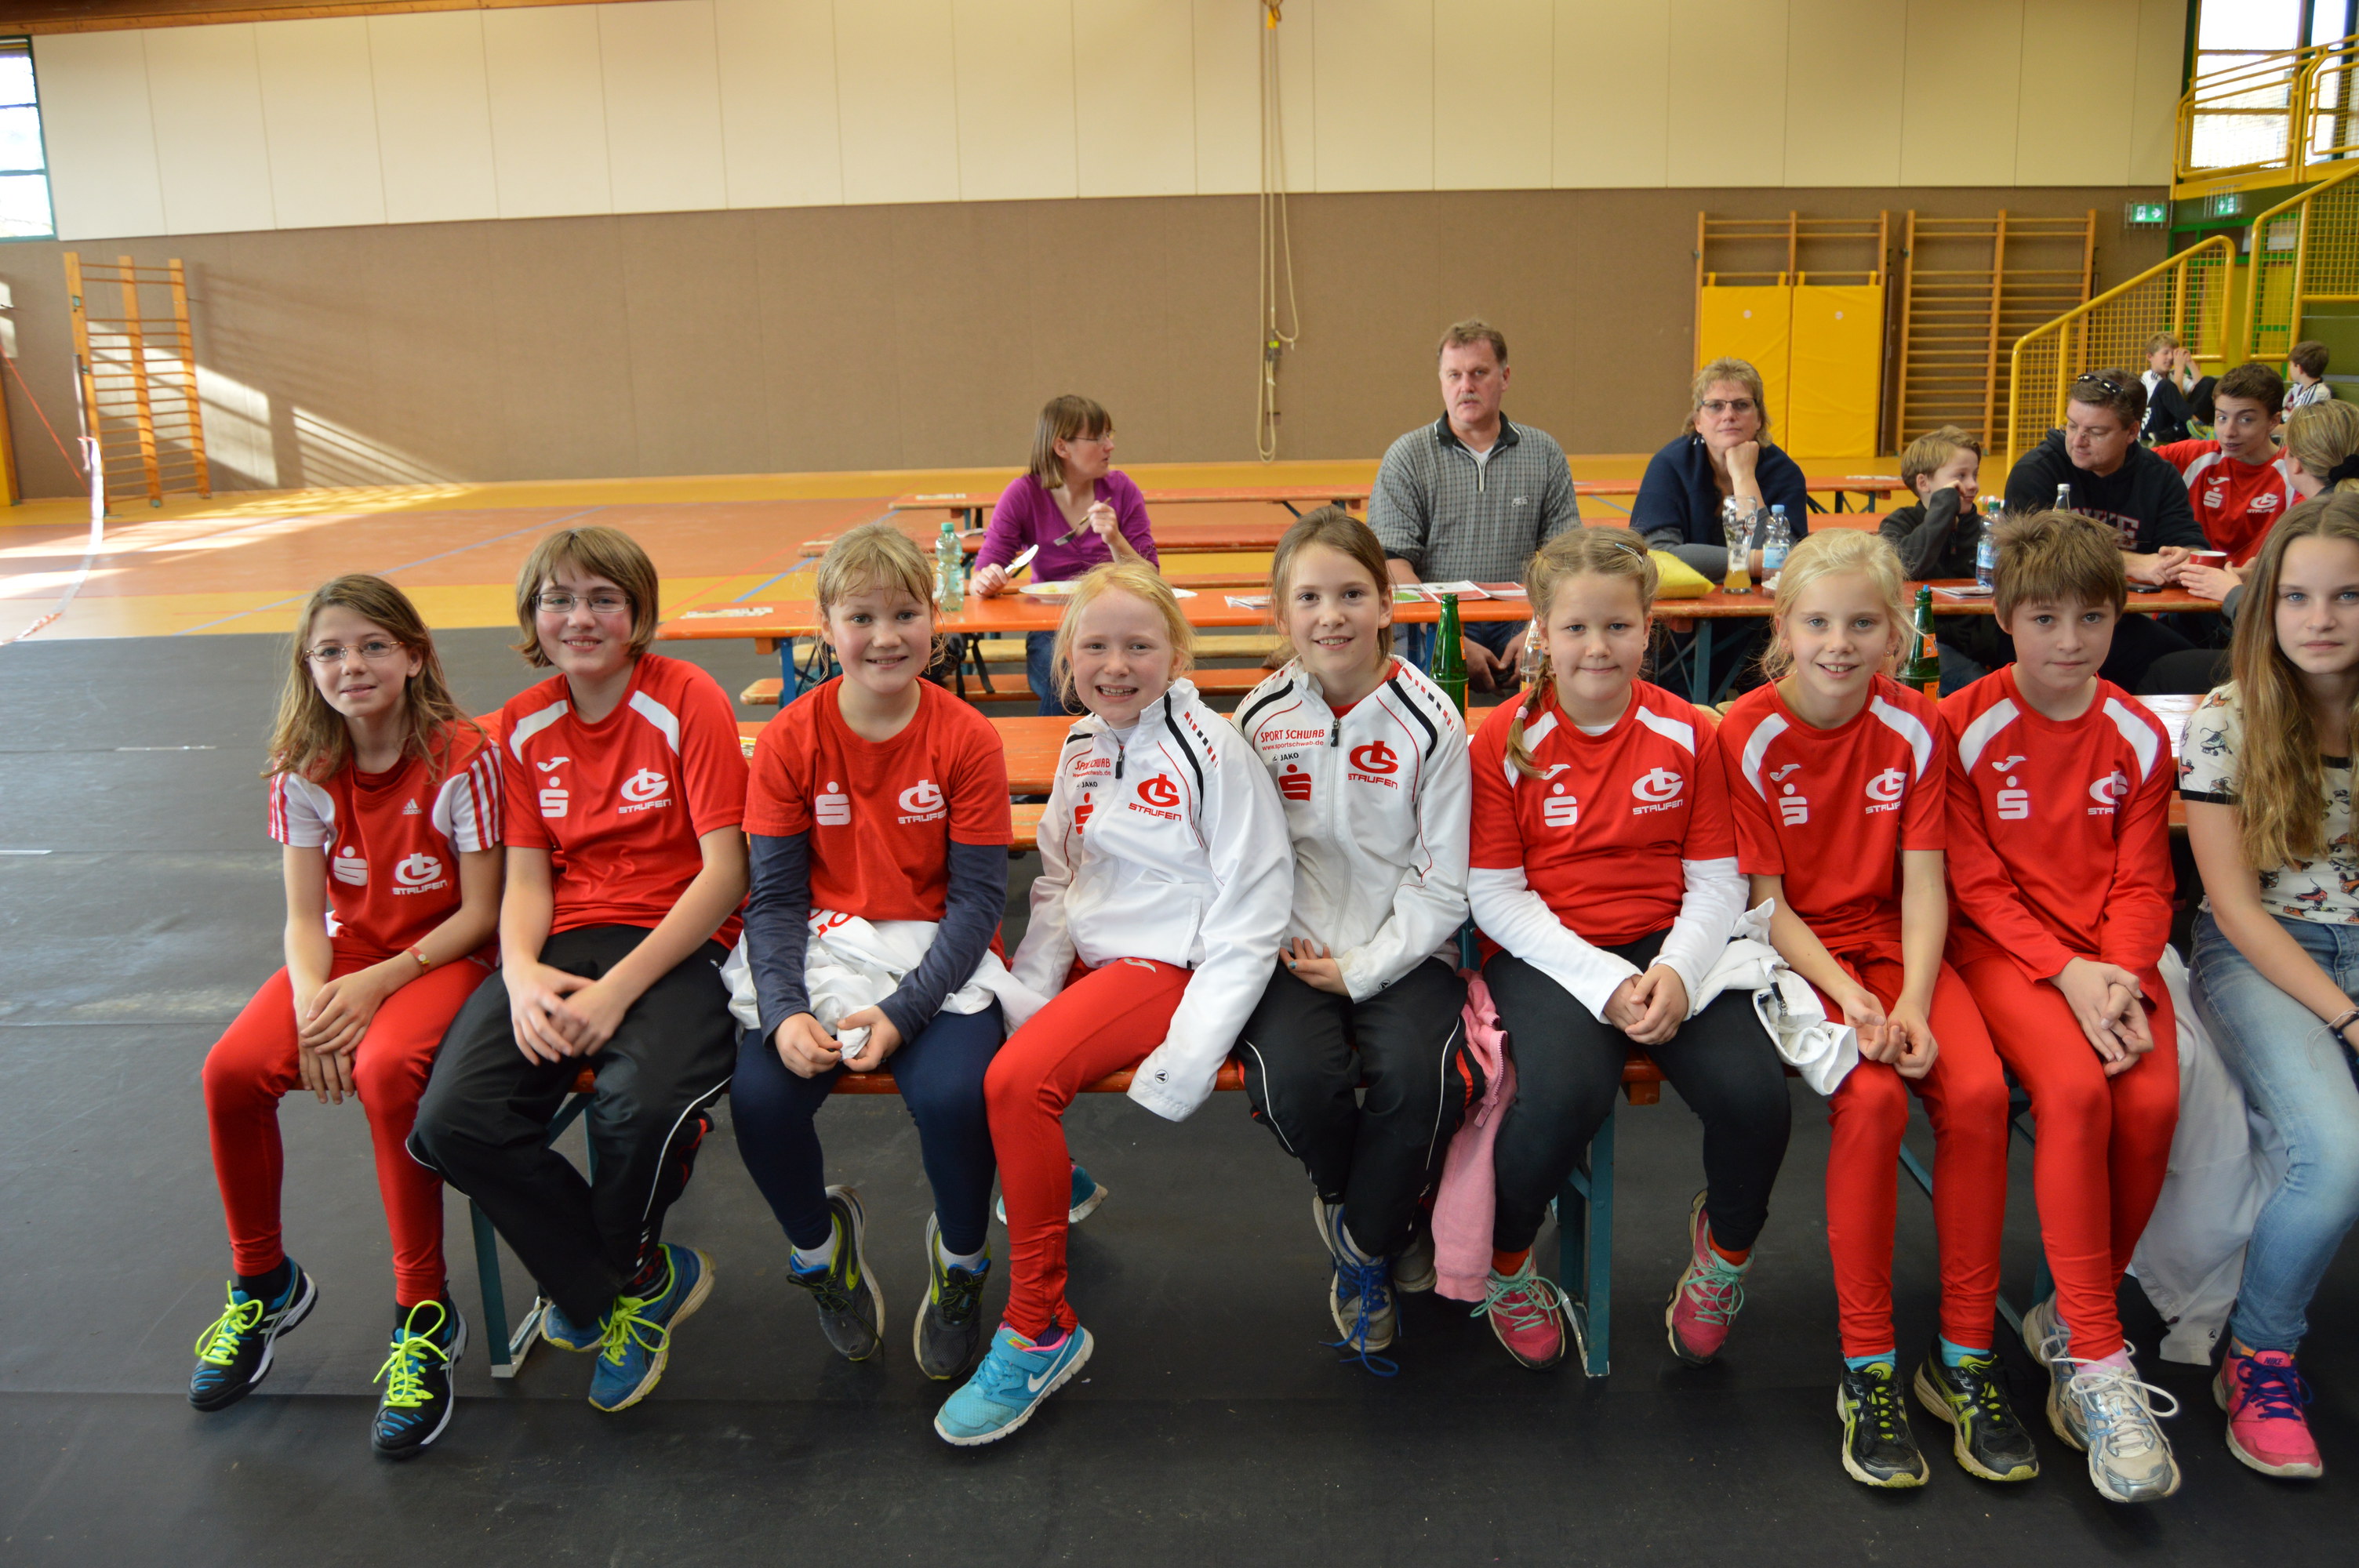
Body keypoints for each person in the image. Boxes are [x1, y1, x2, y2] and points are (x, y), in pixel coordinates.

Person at [933, 563, 1292, 1445]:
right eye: (1095, 646)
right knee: (964, 1042)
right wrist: (1030, 993)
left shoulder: (1214, 751)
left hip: (1168, 965)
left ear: (1177, 654)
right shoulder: (1082, 746)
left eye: (1139, 645)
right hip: (1098, 960)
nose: (1116, 665)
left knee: (1015, 1084)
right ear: (1068, 657)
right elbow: (1060, 884)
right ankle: (1055, 1178)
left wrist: (1189, 1055)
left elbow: (1252, 911)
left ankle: (1039, 1326)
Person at [409, 524, 749, 1414]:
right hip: (563, 940)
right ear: (532, 617)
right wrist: (521, 971)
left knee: (636, 1105)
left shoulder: (687, 696)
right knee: (453, 1120)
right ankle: (630, 1279)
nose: (580, 617)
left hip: (680, 938)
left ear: (638, 612)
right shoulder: (521, 722)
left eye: (603, 598)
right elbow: (526, 877)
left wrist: (616, 992)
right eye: (558, 600)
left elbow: (725, 872)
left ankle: (604, 1278)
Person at [1716, 529, 2029, 1490]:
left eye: (1861, 623)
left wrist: (1913, 1002)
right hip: (1798, 950)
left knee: (1976, 1094)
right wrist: (1850, 996)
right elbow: (1765, 901)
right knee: (1874, 1100)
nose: (1838, 643)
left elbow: (1925, 879)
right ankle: (1867, 1364)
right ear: (1783, 628)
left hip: (1899, 947)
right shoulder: (1744, 731)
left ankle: (1964, 1355)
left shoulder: (1916, 724)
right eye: (1817, 622)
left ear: (1896, 633)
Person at [192, 575, 502, 1459]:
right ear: (308, 666)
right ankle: (264, 1281)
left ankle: (424, 1313)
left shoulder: (463, 755)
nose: (351, 665)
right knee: (229, 1071)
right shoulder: (303, 763)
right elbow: (303, 918)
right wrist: (310, 1005)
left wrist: (374, 989)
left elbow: (481, 910)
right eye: (329, 650)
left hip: (443, 956)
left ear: (414, 656)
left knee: (386, 1072)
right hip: (349, 957)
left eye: (372, 646)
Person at [1467, 528, 1789, 1373]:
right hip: (1549, 949)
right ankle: (1507, 1262)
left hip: (1670, 939)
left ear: (1648, 628)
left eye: (1617, 626)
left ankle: (1724, 1254)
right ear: (1541, 631)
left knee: (1755, 1097)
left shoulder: (1689, 731)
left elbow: (1715, 881)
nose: (1597, 647)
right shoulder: (1504, 738)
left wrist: (1676, 970)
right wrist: (1606, 980)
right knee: (1563, 1096)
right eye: (1575, 627)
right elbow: (1495, 895)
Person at [732, 522, 1016, 1383]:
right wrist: (783, 1010)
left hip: (939, 955)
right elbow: (775, 900)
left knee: (955, 1094)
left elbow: (977, 903)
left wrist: (902, 1012)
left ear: (936, 621)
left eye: (904, 614)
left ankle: (961, 1262)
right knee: (761, 1098)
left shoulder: (967, 737)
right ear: (825, 628)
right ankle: (822, 1255)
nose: (885, 636)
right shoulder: (790, 738)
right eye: (861, 617)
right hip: (825, 948)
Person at [1941, 513, 2185, 1504]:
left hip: (2112, 959)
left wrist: (2117, 973)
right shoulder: (1960, 724)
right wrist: (2066, 972)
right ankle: (2097, 1353)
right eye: (2044, 617)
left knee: (2155, 1100)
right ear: (2005, 618)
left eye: (2091, 617)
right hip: (2003, 952)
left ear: (2117, 617)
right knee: (2077, 1093)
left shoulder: (2136, 732)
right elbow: (1972, 883)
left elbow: (2144, 880)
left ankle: (2067, 1315)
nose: (2070, 639)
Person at [1233, 507, 1475, 1367]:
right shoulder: (1257, 718)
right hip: (1290, 951)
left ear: (1385, 605)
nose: (1329, 615)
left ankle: (1364, 1245)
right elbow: (1240, 855)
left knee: (1421, 1081)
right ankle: (1380, 1214)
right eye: (1308, 597)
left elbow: (1443, 879)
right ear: (1280, 613)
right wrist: (1277, 949)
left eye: (1350, 594)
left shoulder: (1431, 719)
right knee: (1298, 1084)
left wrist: (1366, 967)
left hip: (1403, 948)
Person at [2181, 491, 2359, 1481]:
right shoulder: (2226, 717)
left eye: (2345, 595)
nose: (2318, 618)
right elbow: (2236, 907)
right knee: (2333, 1157)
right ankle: (2259, 1355)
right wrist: (2348, 1018)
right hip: (2260, 949)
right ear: (2265, 606)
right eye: (2295, 596)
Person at [1369, 319, 1582, 692]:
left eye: (1479, 373)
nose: (1465, 386)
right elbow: (1392, 563)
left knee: (1576, 649)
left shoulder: (1544, 453)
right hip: (1435, 621)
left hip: (1523, 617)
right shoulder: (1407, 457)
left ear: (1505, 377)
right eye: (1454, 375)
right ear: (1441, 381)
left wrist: (1539, 628)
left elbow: (1565, 559)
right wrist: (1448, 634)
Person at [2004, 368, 2205, 688]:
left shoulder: (2159, 476)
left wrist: (2181, 558)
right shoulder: (2037, 470)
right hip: (2046, 625)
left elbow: (2189, 543)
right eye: (2072, 426)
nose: (2077, 441)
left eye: (2095, 432)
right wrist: (2133, 563)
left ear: (2132, 432)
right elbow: (2031, 558)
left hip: (2120, 622)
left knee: (2200, 668)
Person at [970, 394, 1160, 714]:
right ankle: (1069, 748)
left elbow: (1150, 578)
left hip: (1118, 623)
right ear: (1062, 447)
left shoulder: (1122, 489)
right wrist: (987, 579)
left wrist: (1115, 539)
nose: (1110, 445)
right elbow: (984, 572)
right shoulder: (1023, 494)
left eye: (1109, 435)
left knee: (1130, 680)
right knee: (1067, 679)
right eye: (1098, 437)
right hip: (1052, 626)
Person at [1634, 357, 1813, 693]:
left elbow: (1788, 562)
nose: (1728, 415)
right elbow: (1657, 556)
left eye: (1741, 405)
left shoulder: (1782, 471)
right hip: (1682, 627)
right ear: (1698, 421)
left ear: (1759, 418)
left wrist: (1744, 477)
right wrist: (1755, 562)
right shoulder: (1669, 465)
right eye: (1715, 406)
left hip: (1762, 627)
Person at [1877, 425, 2008, 691]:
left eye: (1975, 475)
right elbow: (1908, 566)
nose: (1973, 485)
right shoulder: (1899, 523)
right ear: (1924, 483)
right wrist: (1944, 508)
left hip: (1981, 641)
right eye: (1960, 476)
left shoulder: (1985, 528)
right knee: (1977, 685)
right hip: (1922, 643)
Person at [2154, 361, 2298, 568]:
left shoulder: (2296, 472)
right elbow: (2126, 460)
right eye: (2222, 417)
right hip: (2190, 580)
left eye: (2245, 420)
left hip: (2256, 585)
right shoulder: (2193, 455)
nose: (2229, 432)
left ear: (2273, 421)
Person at [2140, 333, 2199, 445]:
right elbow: (2175, 404)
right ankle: (2197, 425)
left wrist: (2190, 363)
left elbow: (2201, 389)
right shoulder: (2148, 379)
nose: (2171, 357)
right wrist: (2180, 368)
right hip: (2150, 429)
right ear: (2150, 357)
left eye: (2173, 353)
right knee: (2165, 385)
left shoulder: (2173, 375)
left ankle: (2193, 427)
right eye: (2165, 353)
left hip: (2171, 427)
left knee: (2208, 382)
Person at [2285, 339, 2333, 410]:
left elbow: (2299, 416)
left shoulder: (2318, 393)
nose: (2289, 368)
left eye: (2290, 365)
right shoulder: (2296, 387)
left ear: (2299, 368)